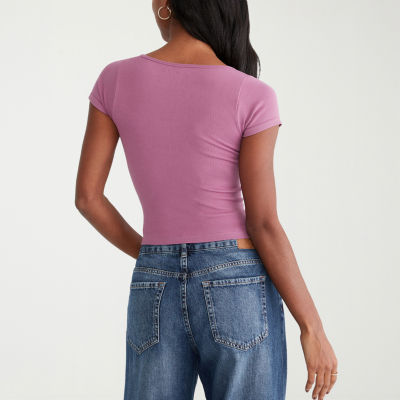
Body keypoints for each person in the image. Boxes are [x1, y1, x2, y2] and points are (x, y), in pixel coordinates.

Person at [75, 1, 338, 399]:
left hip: (154, 283)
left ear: (166, 6)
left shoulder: (115, 79)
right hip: (237, 281)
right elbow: (263, 223)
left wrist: (154, 256)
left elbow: (88, 198)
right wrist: (312, 327)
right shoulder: (252, 94)